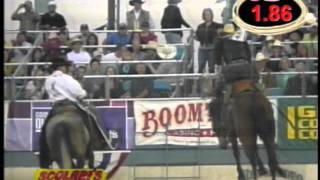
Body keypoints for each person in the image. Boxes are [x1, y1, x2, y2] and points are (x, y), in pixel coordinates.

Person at [39, 58, 111, 168]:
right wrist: (83, 93)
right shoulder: (67, 77)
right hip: (71, 104)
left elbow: (50, 94)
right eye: (66, 66)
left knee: (44, 130)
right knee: (93, 113)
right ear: (62, 67)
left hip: (56, 108)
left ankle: (45, 157)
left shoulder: (48, 79)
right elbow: (79, 93)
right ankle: (102, 140)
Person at [196, 8, 223, 73]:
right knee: (200, 67)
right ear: (203, 16)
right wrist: (193, 36)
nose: (207, 16)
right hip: (202, 49)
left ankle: (213, 83)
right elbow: (197, 37)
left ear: (211, 15)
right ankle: (200, 82)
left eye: (209, 14)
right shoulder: (200, 26)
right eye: (205, 15)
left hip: (212, 49)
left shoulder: (217, 25)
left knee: (211, 68)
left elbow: (226, 30)